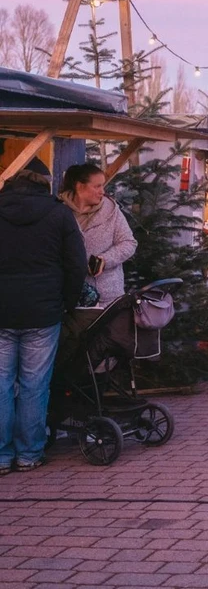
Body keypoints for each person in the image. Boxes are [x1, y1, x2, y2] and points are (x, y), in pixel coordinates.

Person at [0, 157, 87, 474]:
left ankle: (0, 455)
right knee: (35, 385)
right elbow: (76, 264)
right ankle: (29, 453)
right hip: (43, 311)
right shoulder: (59, 214)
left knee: (1, 384)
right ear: (45, 181)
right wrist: (68, 302)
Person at [60, 163, 138, 305]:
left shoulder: (112, 211)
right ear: (79, 186)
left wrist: (104, 260)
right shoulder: (59, 212)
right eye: (97, 186)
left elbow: (129, 243)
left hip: (107, 298)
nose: (102, 191)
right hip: (68, 298)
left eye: (103, 185)